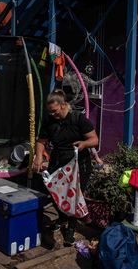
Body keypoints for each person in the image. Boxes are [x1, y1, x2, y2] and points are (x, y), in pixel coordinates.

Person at [32, 89, 99, 246]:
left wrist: (84, 144)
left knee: (74, 196)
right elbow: (41, 140)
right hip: (58, 160)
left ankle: (71, 228)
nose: (52, 114)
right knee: (54, 191)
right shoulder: (49, 120)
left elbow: (94, 139)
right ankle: (62, 218)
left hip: (78, 163)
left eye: (54, 111)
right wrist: (39, 157)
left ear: (63, 105)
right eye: (50, 112)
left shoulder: (78, 118)